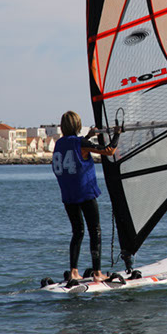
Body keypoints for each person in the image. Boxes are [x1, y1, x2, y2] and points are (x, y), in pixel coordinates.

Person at [52, 111, 118, 282]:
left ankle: (73, 271)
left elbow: (76, 148)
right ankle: (97, 273)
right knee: (95, 231)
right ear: (78, 125)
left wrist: (89, 137)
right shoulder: (80, 143)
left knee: (77, 232)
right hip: (85, 193)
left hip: (68, 195)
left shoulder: (59, 144)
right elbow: (109, 151)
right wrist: (117, 134)